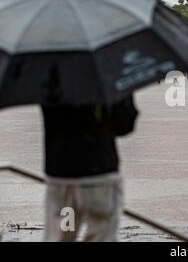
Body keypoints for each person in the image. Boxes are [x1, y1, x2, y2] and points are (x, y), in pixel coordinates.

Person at [41, 97, 138, 242]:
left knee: (60, 236)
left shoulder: (46, 76)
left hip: (60, 174)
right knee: (101, 236)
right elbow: (124, 123)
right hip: (99, 173)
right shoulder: (107, 76)